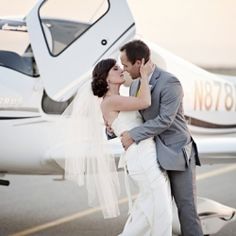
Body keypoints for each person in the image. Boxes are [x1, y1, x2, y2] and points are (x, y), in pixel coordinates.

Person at [119, 39, 204, 236]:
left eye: (125, 65)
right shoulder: (134, 86)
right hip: (151, 155)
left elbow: (165, 120)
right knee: (158, 208)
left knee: (186, 210)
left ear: (139, 63)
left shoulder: (169, 82)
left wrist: (132, 135)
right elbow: (135, 118)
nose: (123, 69)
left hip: (176, 153)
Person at [91, 58, 172, 235]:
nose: (121, 70)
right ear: (106, 78)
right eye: (115, 68)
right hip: (141, 156)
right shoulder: (111, 101)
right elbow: (144, 102)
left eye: (120, 67)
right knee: (161, 206)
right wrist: (144, 75)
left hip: (144, 153)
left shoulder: (116, 99)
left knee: (147, 208)